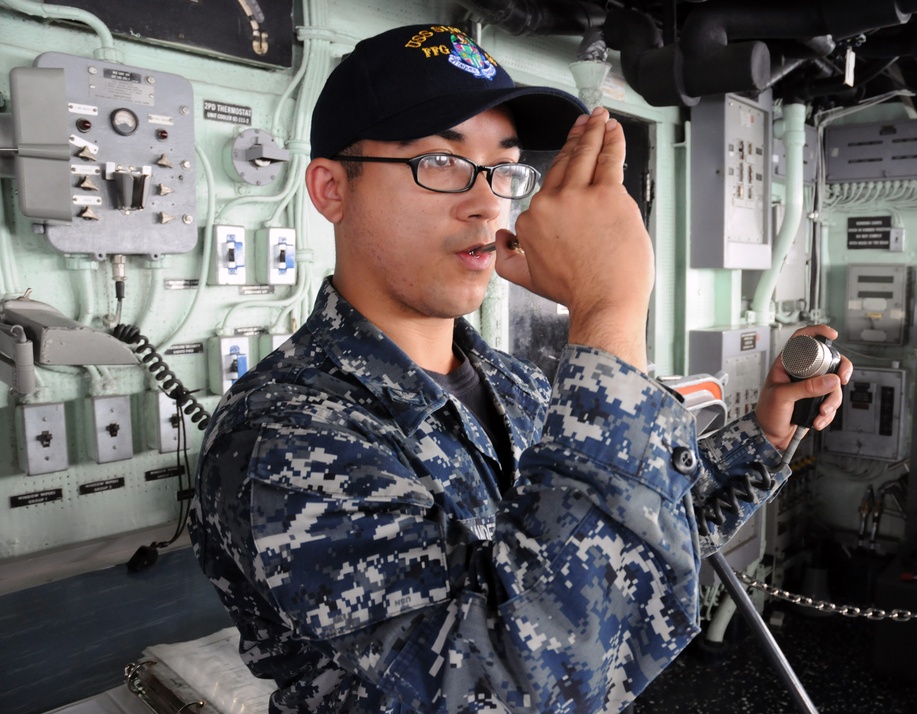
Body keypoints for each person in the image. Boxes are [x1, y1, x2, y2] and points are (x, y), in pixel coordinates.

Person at [189, 23, 852, 714]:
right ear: (331, 189)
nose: (486, 201)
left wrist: (765, 438)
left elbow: (611, 551)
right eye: (440, 162)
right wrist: (608, 311)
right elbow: (521, 684)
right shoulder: (284, 434)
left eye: (504, 168)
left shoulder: (512, 384)